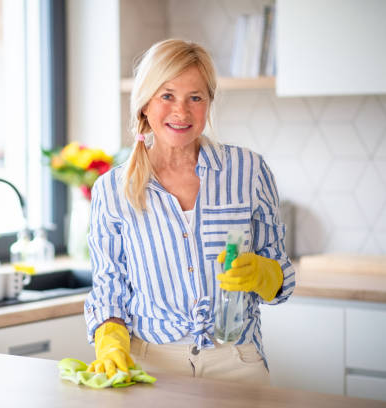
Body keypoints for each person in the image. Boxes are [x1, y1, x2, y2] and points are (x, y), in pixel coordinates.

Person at [83, 39, 295, 385]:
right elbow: (109, 288)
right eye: (167, 95)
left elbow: (283, 280)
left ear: (208, 103)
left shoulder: (248, 170)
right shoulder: (113, 188)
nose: (181, 112)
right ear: (145, 104)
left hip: (237, 362)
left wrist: (264, 273)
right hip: (150, 365)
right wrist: (110, 345)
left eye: (195, 98)